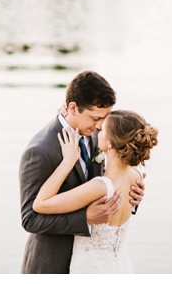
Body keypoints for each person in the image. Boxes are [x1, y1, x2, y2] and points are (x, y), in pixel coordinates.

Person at [19, 71, 145, 274]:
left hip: (95, 263)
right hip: (52, 263)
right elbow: (30, 219)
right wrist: (85, 218)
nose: (99, 126)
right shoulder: (40, 150)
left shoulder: (100, 137)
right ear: (73, 108)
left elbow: (109, 183)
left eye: (104, 120)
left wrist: (130, 197)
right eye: (95, 118)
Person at [33, 110, 158, 273]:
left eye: (103, 130)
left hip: (92, 268)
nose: (98, 129)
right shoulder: (137, 175)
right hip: (121, 266)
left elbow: (40, 204)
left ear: (110, 144)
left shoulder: (100, 186)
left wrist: (68, 162)